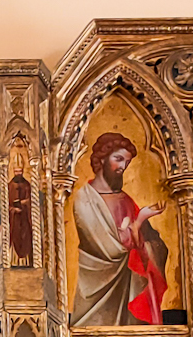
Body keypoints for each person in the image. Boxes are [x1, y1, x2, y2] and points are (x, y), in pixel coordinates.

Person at [70, 132, 168, 325]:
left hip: (128, 292)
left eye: (127, 162)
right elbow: (110, 249)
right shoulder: (85, 199)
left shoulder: (126, 201)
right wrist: (138, 222)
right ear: (102, 158)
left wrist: (146, 240)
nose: (123, 166)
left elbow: (156, 247)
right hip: (94, 292)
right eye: (118, 159)